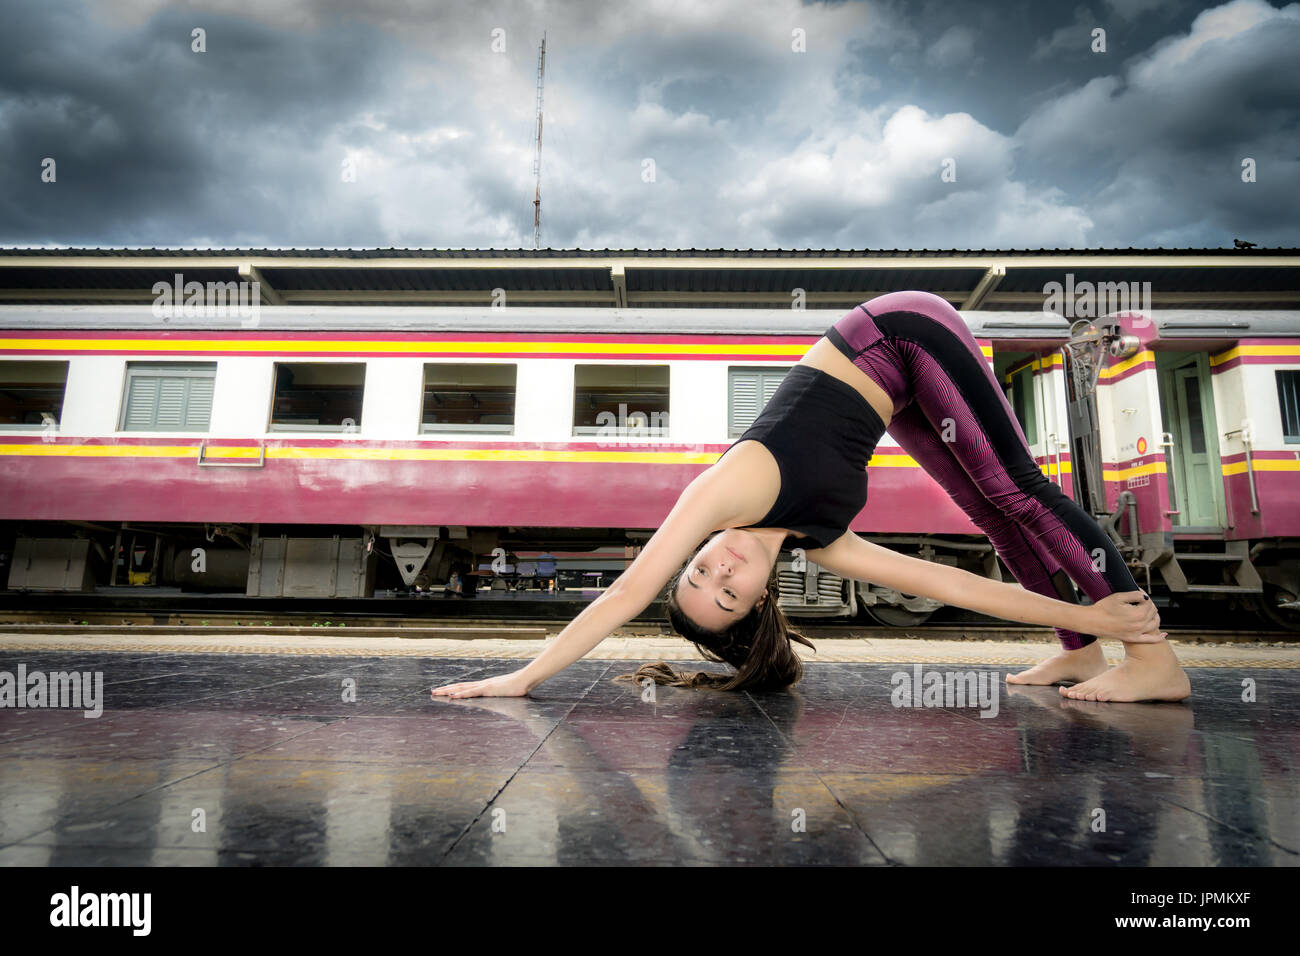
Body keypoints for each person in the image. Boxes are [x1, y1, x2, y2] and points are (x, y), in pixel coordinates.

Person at [433, 291, 1189, 705]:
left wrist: (523, 677)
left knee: (1014, 488)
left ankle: (1153, 659)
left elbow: (627, 591)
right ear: (763, 601)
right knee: (990, 515)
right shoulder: (822, 539)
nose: (718, 571)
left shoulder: (725, 490)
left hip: (899, 331)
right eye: (727, 595)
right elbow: (950, 583)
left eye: (698, 574)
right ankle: (1083, 654)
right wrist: (1078, 616)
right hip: (898, 387)